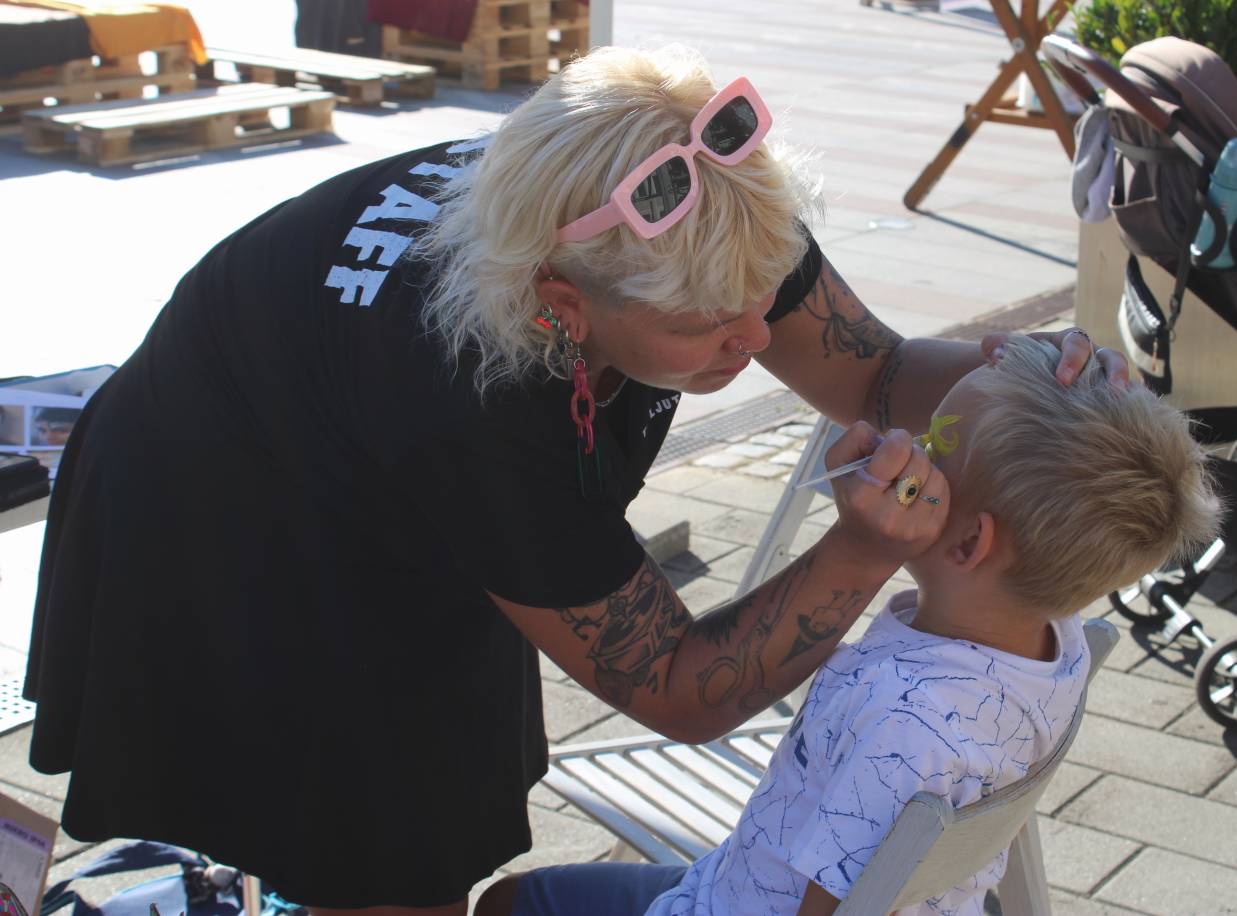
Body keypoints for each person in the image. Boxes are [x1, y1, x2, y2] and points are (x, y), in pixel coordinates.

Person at [23, 46, 1126, 916]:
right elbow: (680, 688)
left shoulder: (705, 203)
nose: (755, 337)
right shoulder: (479, 400)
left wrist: (1009, 372)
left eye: (763, 296)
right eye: (707, 327)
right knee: (378, 852)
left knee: (434, 800)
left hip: (384, 463)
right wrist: (860, 550)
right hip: (230, 519)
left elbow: (873, 371)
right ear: (563, 303)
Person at [477, 334, 1219, 916]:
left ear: (969, 542)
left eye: (931, 447)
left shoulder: (901, 722)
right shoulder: (1061, 645)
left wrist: (856, 546)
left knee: (509, 903)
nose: (906, 448)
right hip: (774, 879)